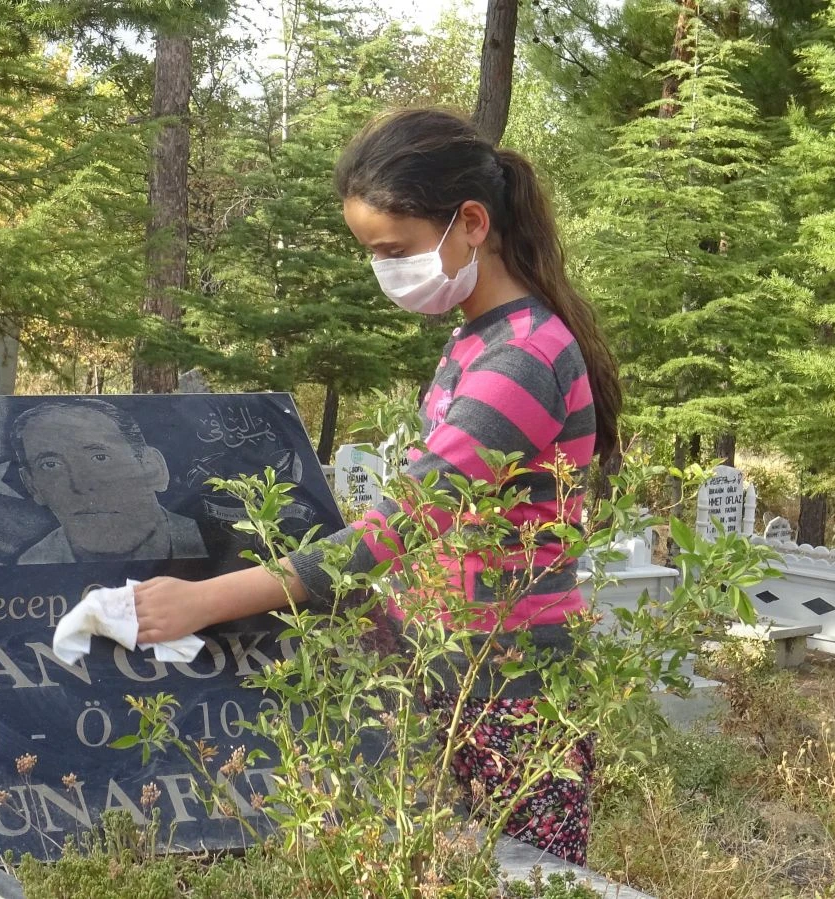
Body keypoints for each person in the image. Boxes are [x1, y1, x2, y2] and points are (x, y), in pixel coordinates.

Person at [131, 107, 622, 865]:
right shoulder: (479, 337)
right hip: (450, 672)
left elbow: (398, 529)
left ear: (470, 223)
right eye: (371, 252)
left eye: (393, 249)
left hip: (505, 696)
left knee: (518, 878)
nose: (384, 271)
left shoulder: (519, 359)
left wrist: (202, 600)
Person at [11, 400, 208, 564]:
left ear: (152, 468)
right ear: (32, 485)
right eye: (51, 465)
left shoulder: (210, 540)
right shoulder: (32, 562)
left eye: (100, 458)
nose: (79, 485)